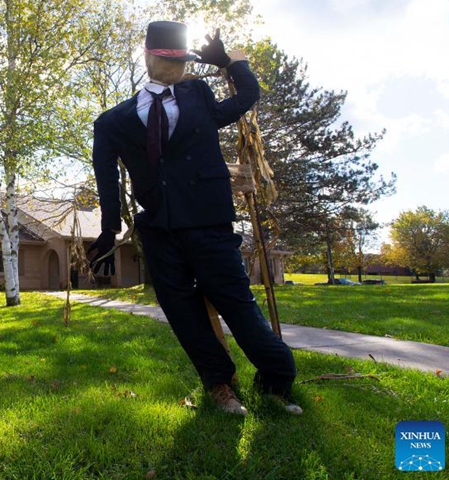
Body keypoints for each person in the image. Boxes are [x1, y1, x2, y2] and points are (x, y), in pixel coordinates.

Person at [88, 21, 300, 415]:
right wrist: (108, 227)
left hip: (210, 222)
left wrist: (231, 65)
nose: (175, 67)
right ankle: (219, 384)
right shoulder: (112, 122)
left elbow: (247, 97)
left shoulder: (199, 95)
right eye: (167, 59)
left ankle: (276, 378)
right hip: (160, 230)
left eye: (181, 60)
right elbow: (106, 176)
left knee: (236, 302)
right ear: (148, 57)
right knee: (183, 313)